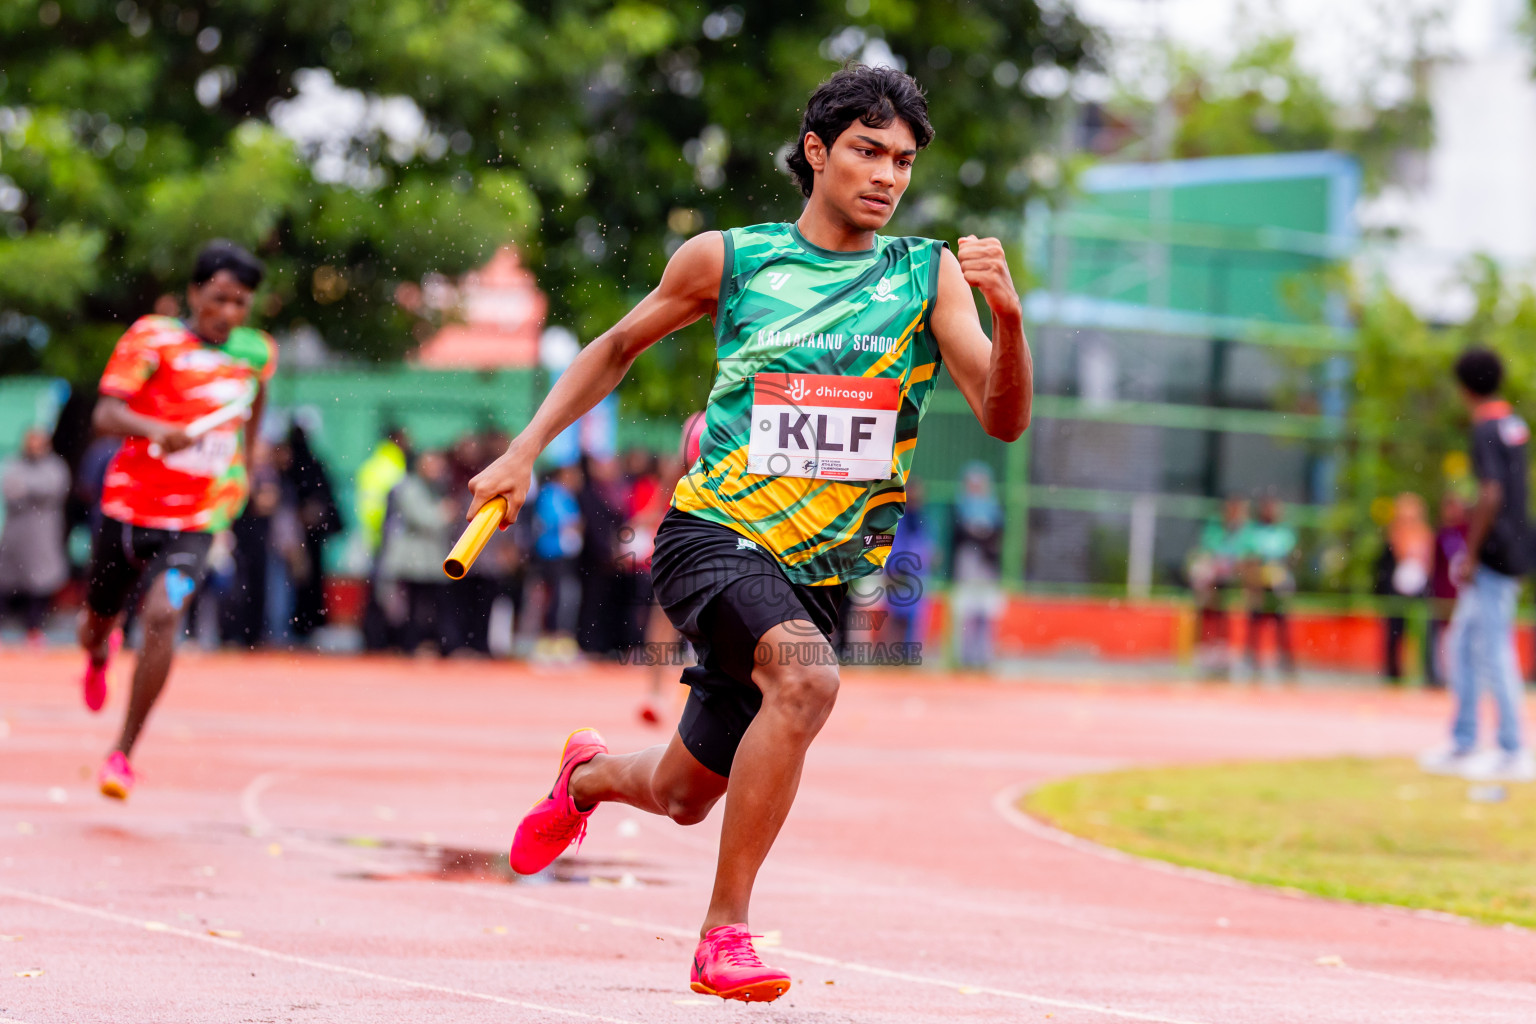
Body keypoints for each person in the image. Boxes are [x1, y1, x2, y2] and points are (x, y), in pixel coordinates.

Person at [466, 64, 1031, 1002]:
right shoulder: (731, 259)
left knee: (686, 794)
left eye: (902, 161)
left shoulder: (927, 275)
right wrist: (526, 450)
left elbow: (1004, 418)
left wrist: (1008, 319)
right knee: (807, 681)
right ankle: (722, 934)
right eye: (867, 151)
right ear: (816, 150)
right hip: (713, 533)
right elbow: (615, 348)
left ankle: (585, 779)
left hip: (822, 569)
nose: (887, 176)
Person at [75, 240, 275, 800]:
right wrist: (157, 430)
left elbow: (253, 408)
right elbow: (105, 414)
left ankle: (122, 754)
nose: (228, 313)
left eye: (240, 303)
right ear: (194, 292)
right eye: (218, 298)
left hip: (198, 515)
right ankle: (97, 654)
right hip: (128, 508)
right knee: (95, 626)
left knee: (164, 614)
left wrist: (246, 466)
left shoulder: (256, 351)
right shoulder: (152, 338)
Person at [1420, 348, 1534, 781]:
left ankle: (1511, 749)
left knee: (1493, 650)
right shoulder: (1513, 424)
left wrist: (1469, 551)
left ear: (1464, 387)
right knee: (1463, 644)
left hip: (1495, 554)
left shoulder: (1485, 427)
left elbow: (1492, 493)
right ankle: (1464, 741)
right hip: (1515, 543)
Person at [379, 450, 457, 656]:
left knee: (427, 605)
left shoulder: (434, 488)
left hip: (428, 560)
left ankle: (422, 644)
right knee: (412, 606)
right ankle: (409, 644)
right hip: (413, 560)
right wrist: (444, 513)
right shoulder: (410, 488)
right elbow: (423, 519)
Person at [0, 429, 72, 645]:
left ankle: (34, 628)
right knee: (7, 581)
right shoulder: (14, 464)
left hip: (43, 534)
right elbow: (10, 488)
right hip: (16, 533)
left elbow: (53, 487)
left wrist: (27, 488)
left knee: (40, 581)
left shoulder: (55, 466)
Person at [949, 462, 1004, 670]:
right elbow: (959, 537)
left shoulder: (993, 507)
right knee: (966, 612)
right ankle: (964, 657)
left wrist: (984, 541)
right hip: (968, 564)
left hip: (986, 566)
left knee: (986, 612)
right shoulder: (960, 506)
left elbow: (996, 536)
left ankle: (984, 657)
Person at [1188, 497, 1250, 679]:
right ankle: (1205, 650)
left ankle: (1221, 650)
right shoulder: (1214, 528)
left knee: (1223, 614)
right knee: (1207, 611)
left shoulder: (1244, 532)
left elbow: (1244, 556)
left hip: (1229, 580)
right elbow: (1207, 551)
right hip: (1212, 578)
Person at [1375, 492, 1433, 683]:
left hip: (1420, 589)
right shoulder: (1393, 536)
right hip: (1396, 590)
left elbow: (1429, 562)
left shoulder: (1424, 534)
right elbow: (1385, 567)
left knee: (1425, 629)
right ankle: (1393, 672)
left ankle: (1428, 673)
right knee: (1394, 629)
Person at [1241, 495, 1297, 678]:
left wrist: (1279, 572)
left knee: (1281, 622)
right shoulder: (1253, 533)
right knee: (1255, 620)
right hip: (1259, 584)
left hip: (1278, 584)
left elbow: (1292, 558)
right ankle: (1252, 658)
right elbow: (1248, 559)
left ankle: (1285, 659)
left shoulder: (1284, 533)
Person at [1427, 492, 1469, 689]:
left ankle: (1461, 676)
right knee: (1444, 636)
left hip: (1464, 594)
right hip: (1444, 593)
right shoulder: (1442, 534)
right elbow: (1435, 565)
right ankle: (1443, 676)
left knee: (1463, 634)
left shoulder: (1468, 531)